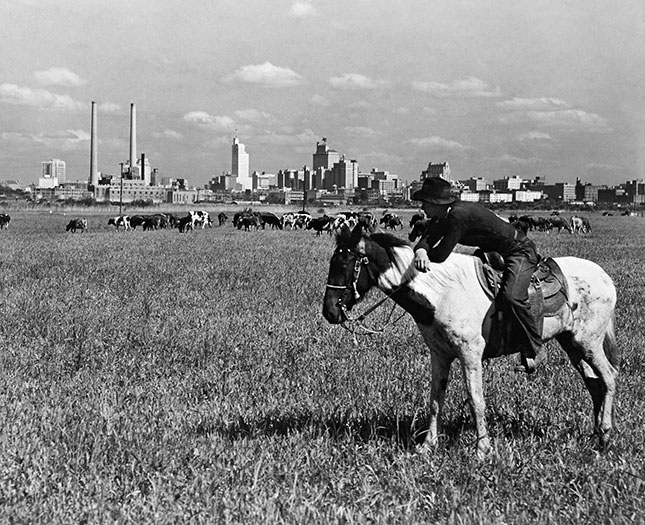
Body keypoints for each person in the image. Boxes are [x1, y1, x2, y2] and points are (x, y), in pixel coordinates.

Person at [411, 177, 543, 373]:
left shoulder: (458, 216)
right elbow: (427, 240)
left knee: (512, 297)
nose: (421, 207)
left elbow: (441, 253)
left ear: (435, 203)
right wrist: (420, 251)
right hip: (492, 252)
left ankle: (535, 349)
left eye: (424, 202)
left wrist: (425, 252)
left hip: (518, 251)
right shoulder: (442, 216)